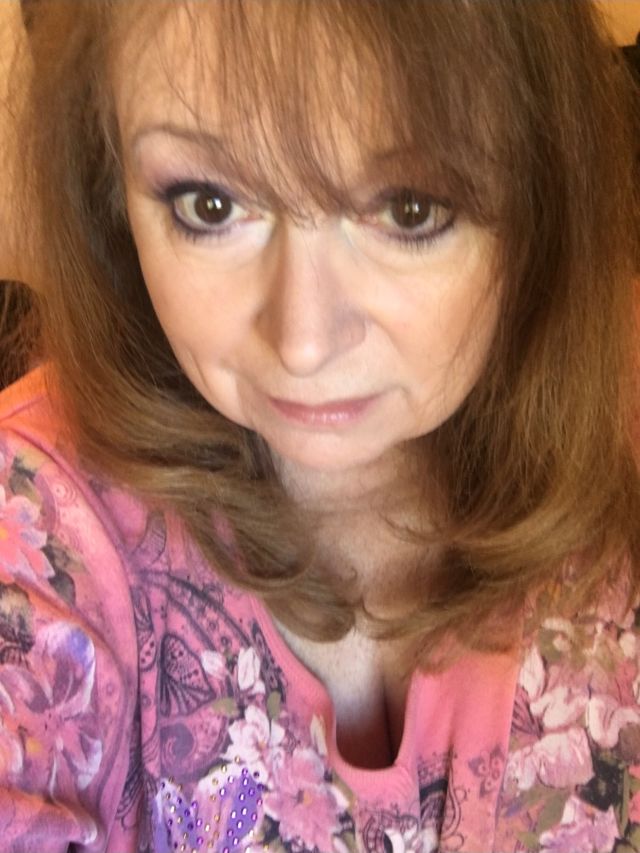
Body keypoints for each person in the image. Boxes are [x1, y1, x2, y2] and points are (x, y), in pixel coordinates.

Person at [0, 1, 639, 851]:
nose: (302, 343)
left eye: (409, 208)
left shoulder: (617, 468)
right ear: (111, 191)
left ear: (540, 200)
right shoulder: (35, 520)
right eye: (210, 203)